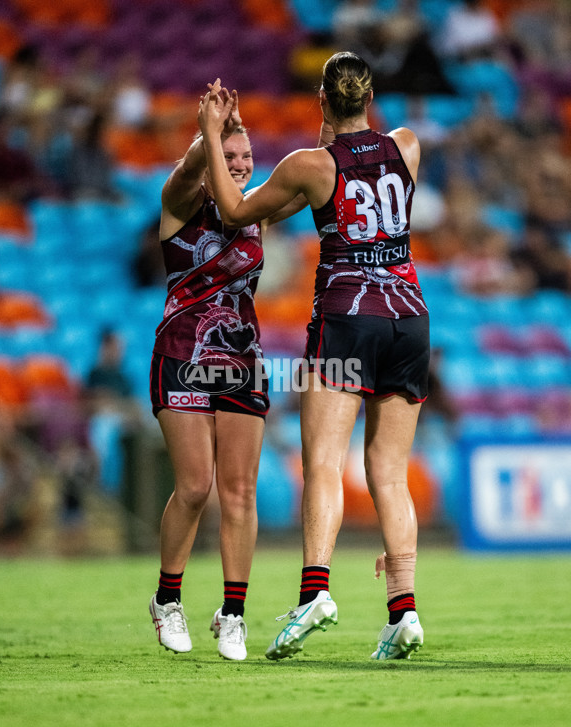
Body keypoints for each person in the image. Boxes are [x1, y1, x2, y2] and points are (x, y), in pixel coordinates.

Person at [199, 52, 429, 661]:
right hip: (409, 318)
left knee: (323, 461)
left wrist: (208, 133)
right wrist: (339, 130)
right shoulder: (408, 145)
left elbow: (237, 210)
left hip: (348, 318)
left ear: (322, 101)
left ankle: (315, 592)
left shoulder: (309, 165)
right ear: (370, 96)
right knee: (388, 471)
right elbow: (365, 173)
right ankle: (403, 609)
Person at [148, 80, 314, 661]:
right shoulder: (178, 202)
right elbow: (195, 167)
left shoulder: (255, 214)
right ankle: (168, 600)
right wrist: (212, 133)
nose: (240, 166)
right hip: (182, 354)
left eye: (247, 158)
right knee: (196, 486)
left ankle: (233, 613)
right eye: (231, 155)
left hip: (242, 359)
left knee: (241, 490)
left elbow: (310, 189)